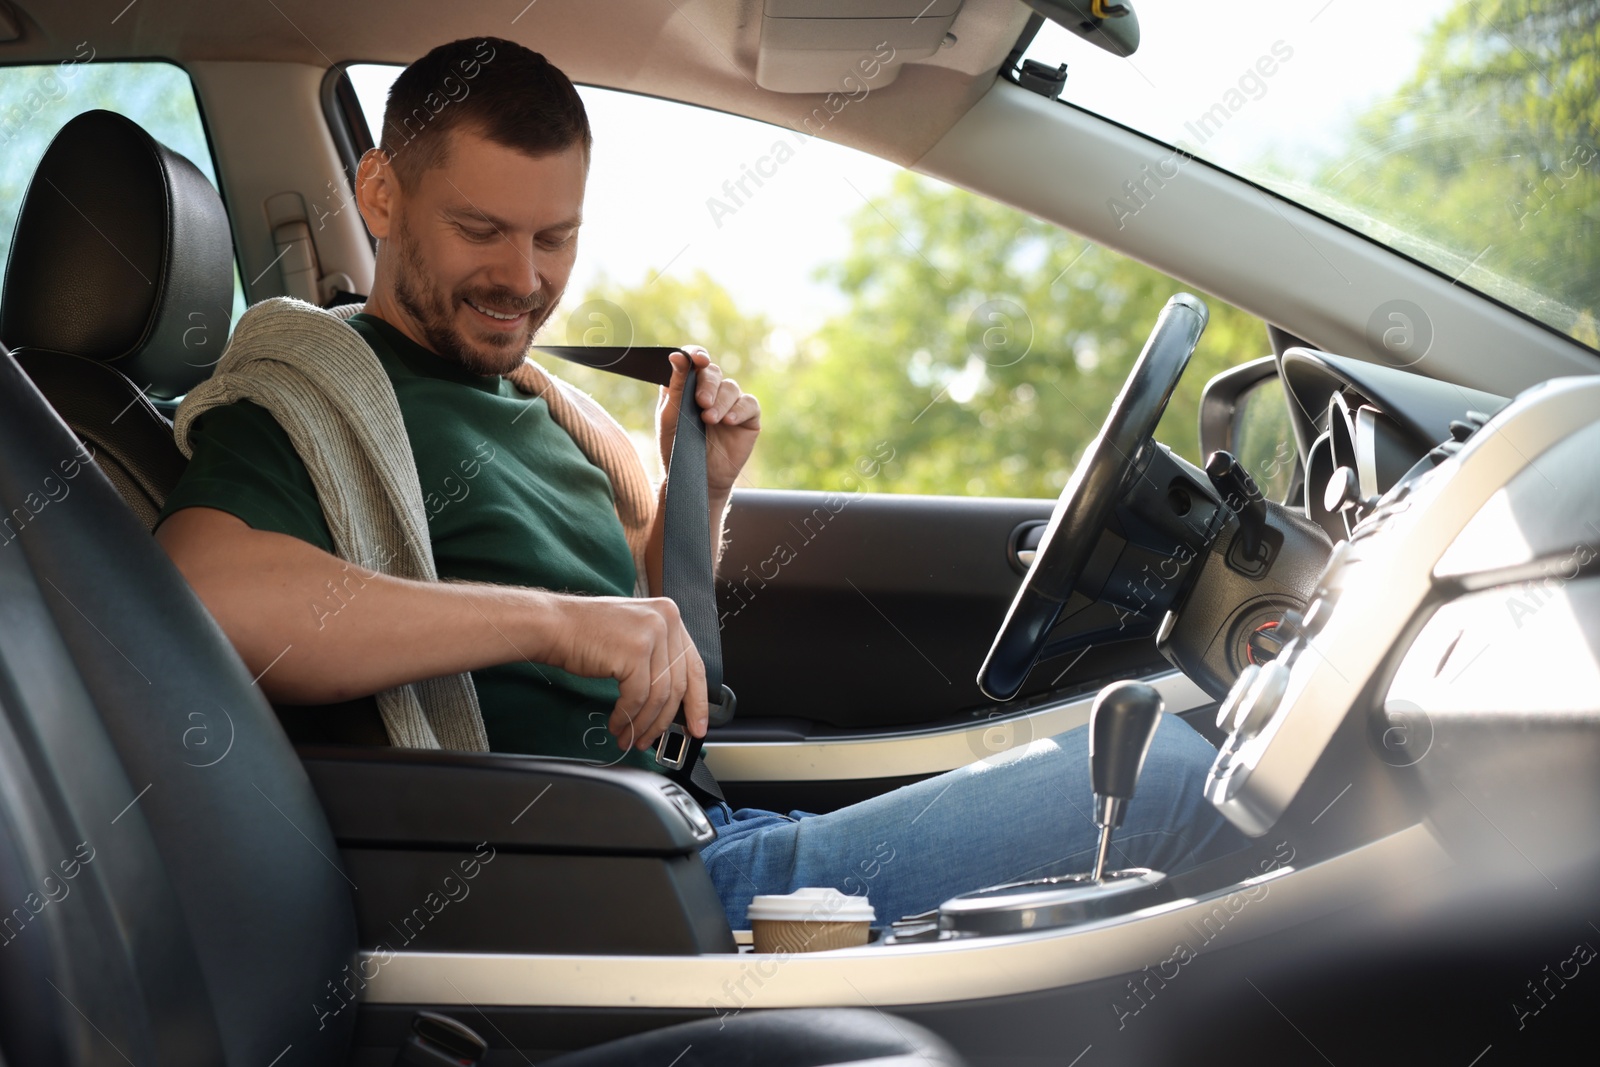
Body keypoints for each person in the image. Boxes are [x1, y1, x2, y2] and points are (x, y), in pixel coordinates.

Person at [154, 37, 1240, 931]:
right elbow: (208, 598)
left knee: (1169, 746)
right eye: (480, 231)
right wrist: (551, 623)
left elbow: (633, 640)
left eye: (555, 237)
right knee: (1189, 780)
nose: (524, 279)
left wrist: (698, 498)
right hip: (596, 892)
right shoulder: (311, 396)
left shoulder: (529, 398)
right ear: (380, 193)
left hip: (691, 830)